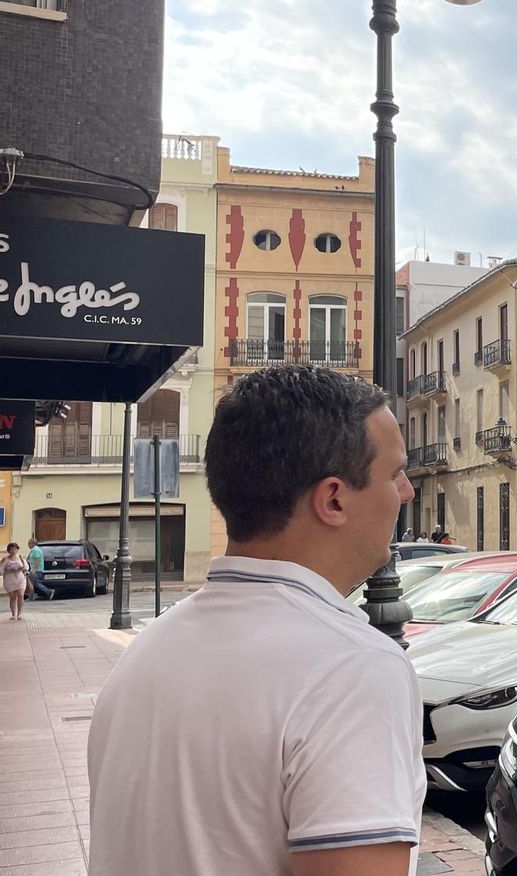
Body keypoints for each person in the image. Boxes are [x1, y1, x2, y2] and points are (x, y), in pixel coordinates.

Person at [87, 366, 421, 876]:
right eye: (395, 473)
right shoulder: (351, 670)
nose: (407, 493)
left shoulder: (148, 650)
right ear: (333, 498)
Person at [3, 543, 27, 620]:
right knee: (12, 597)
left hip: (20, 580)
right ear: (8, 550)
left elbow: (26, 567)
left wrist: (21, 568)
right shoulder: (5, 559)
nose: (14, 551)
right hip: (9, 581)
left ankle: (19, 614)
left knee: (20, 595)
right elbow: (0, 571)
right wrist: (8, 569)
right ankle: (13, 614)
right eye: (12, 549)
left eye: (15, 549)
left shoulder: (20, 558)